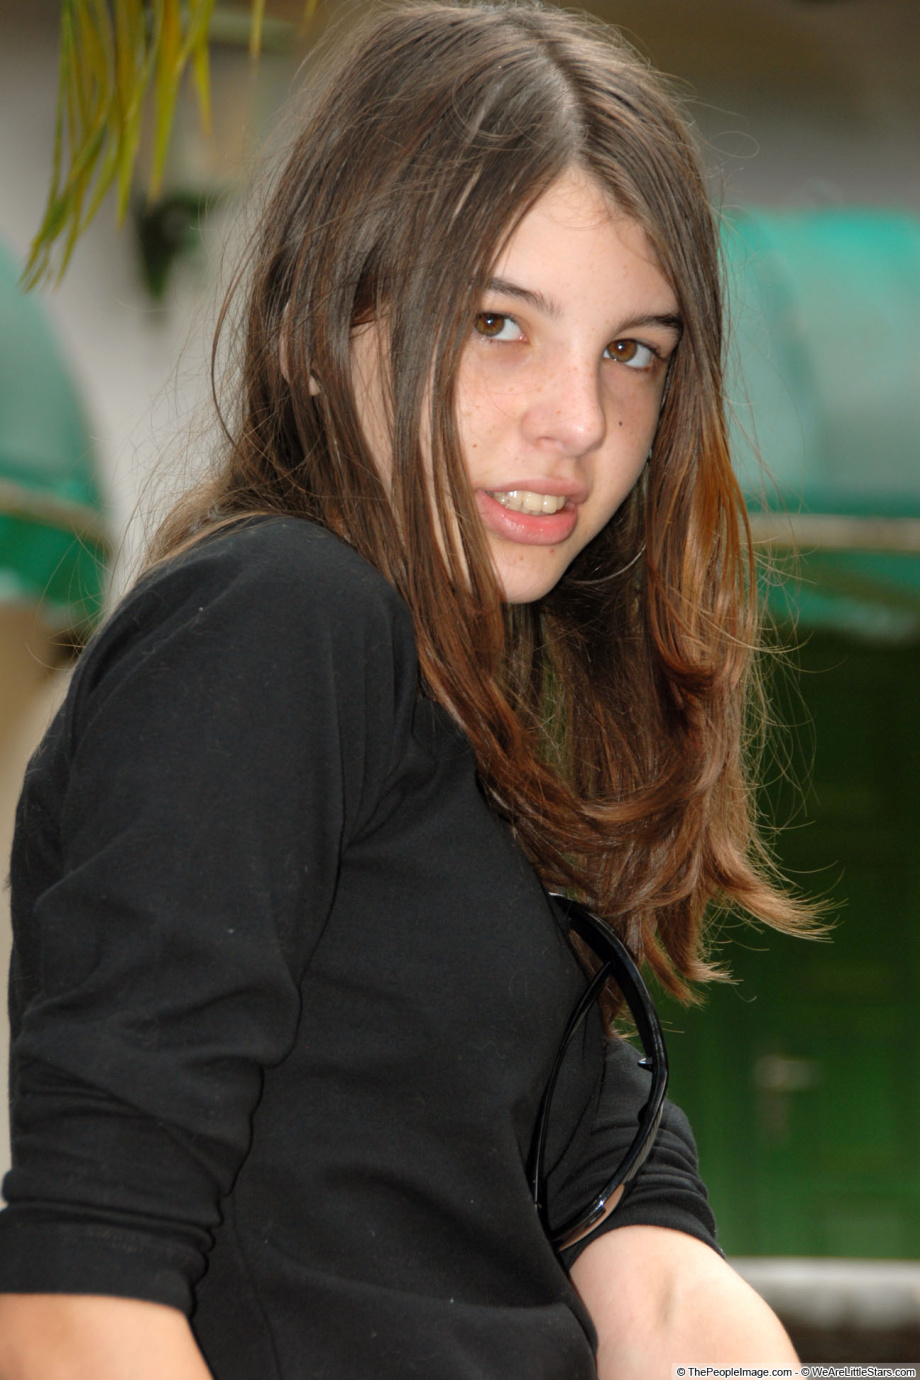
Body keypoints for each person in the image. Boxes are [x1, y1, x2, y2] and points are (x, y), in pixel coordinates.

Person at [0, 3, 806, 1376]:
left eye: (634, 351)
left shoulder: (469, 747)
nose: (580, 422)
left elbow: (655, 1277)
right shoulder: (277, 619)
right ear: (321, 328)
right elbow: (80, 1296)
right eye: (499, 323)